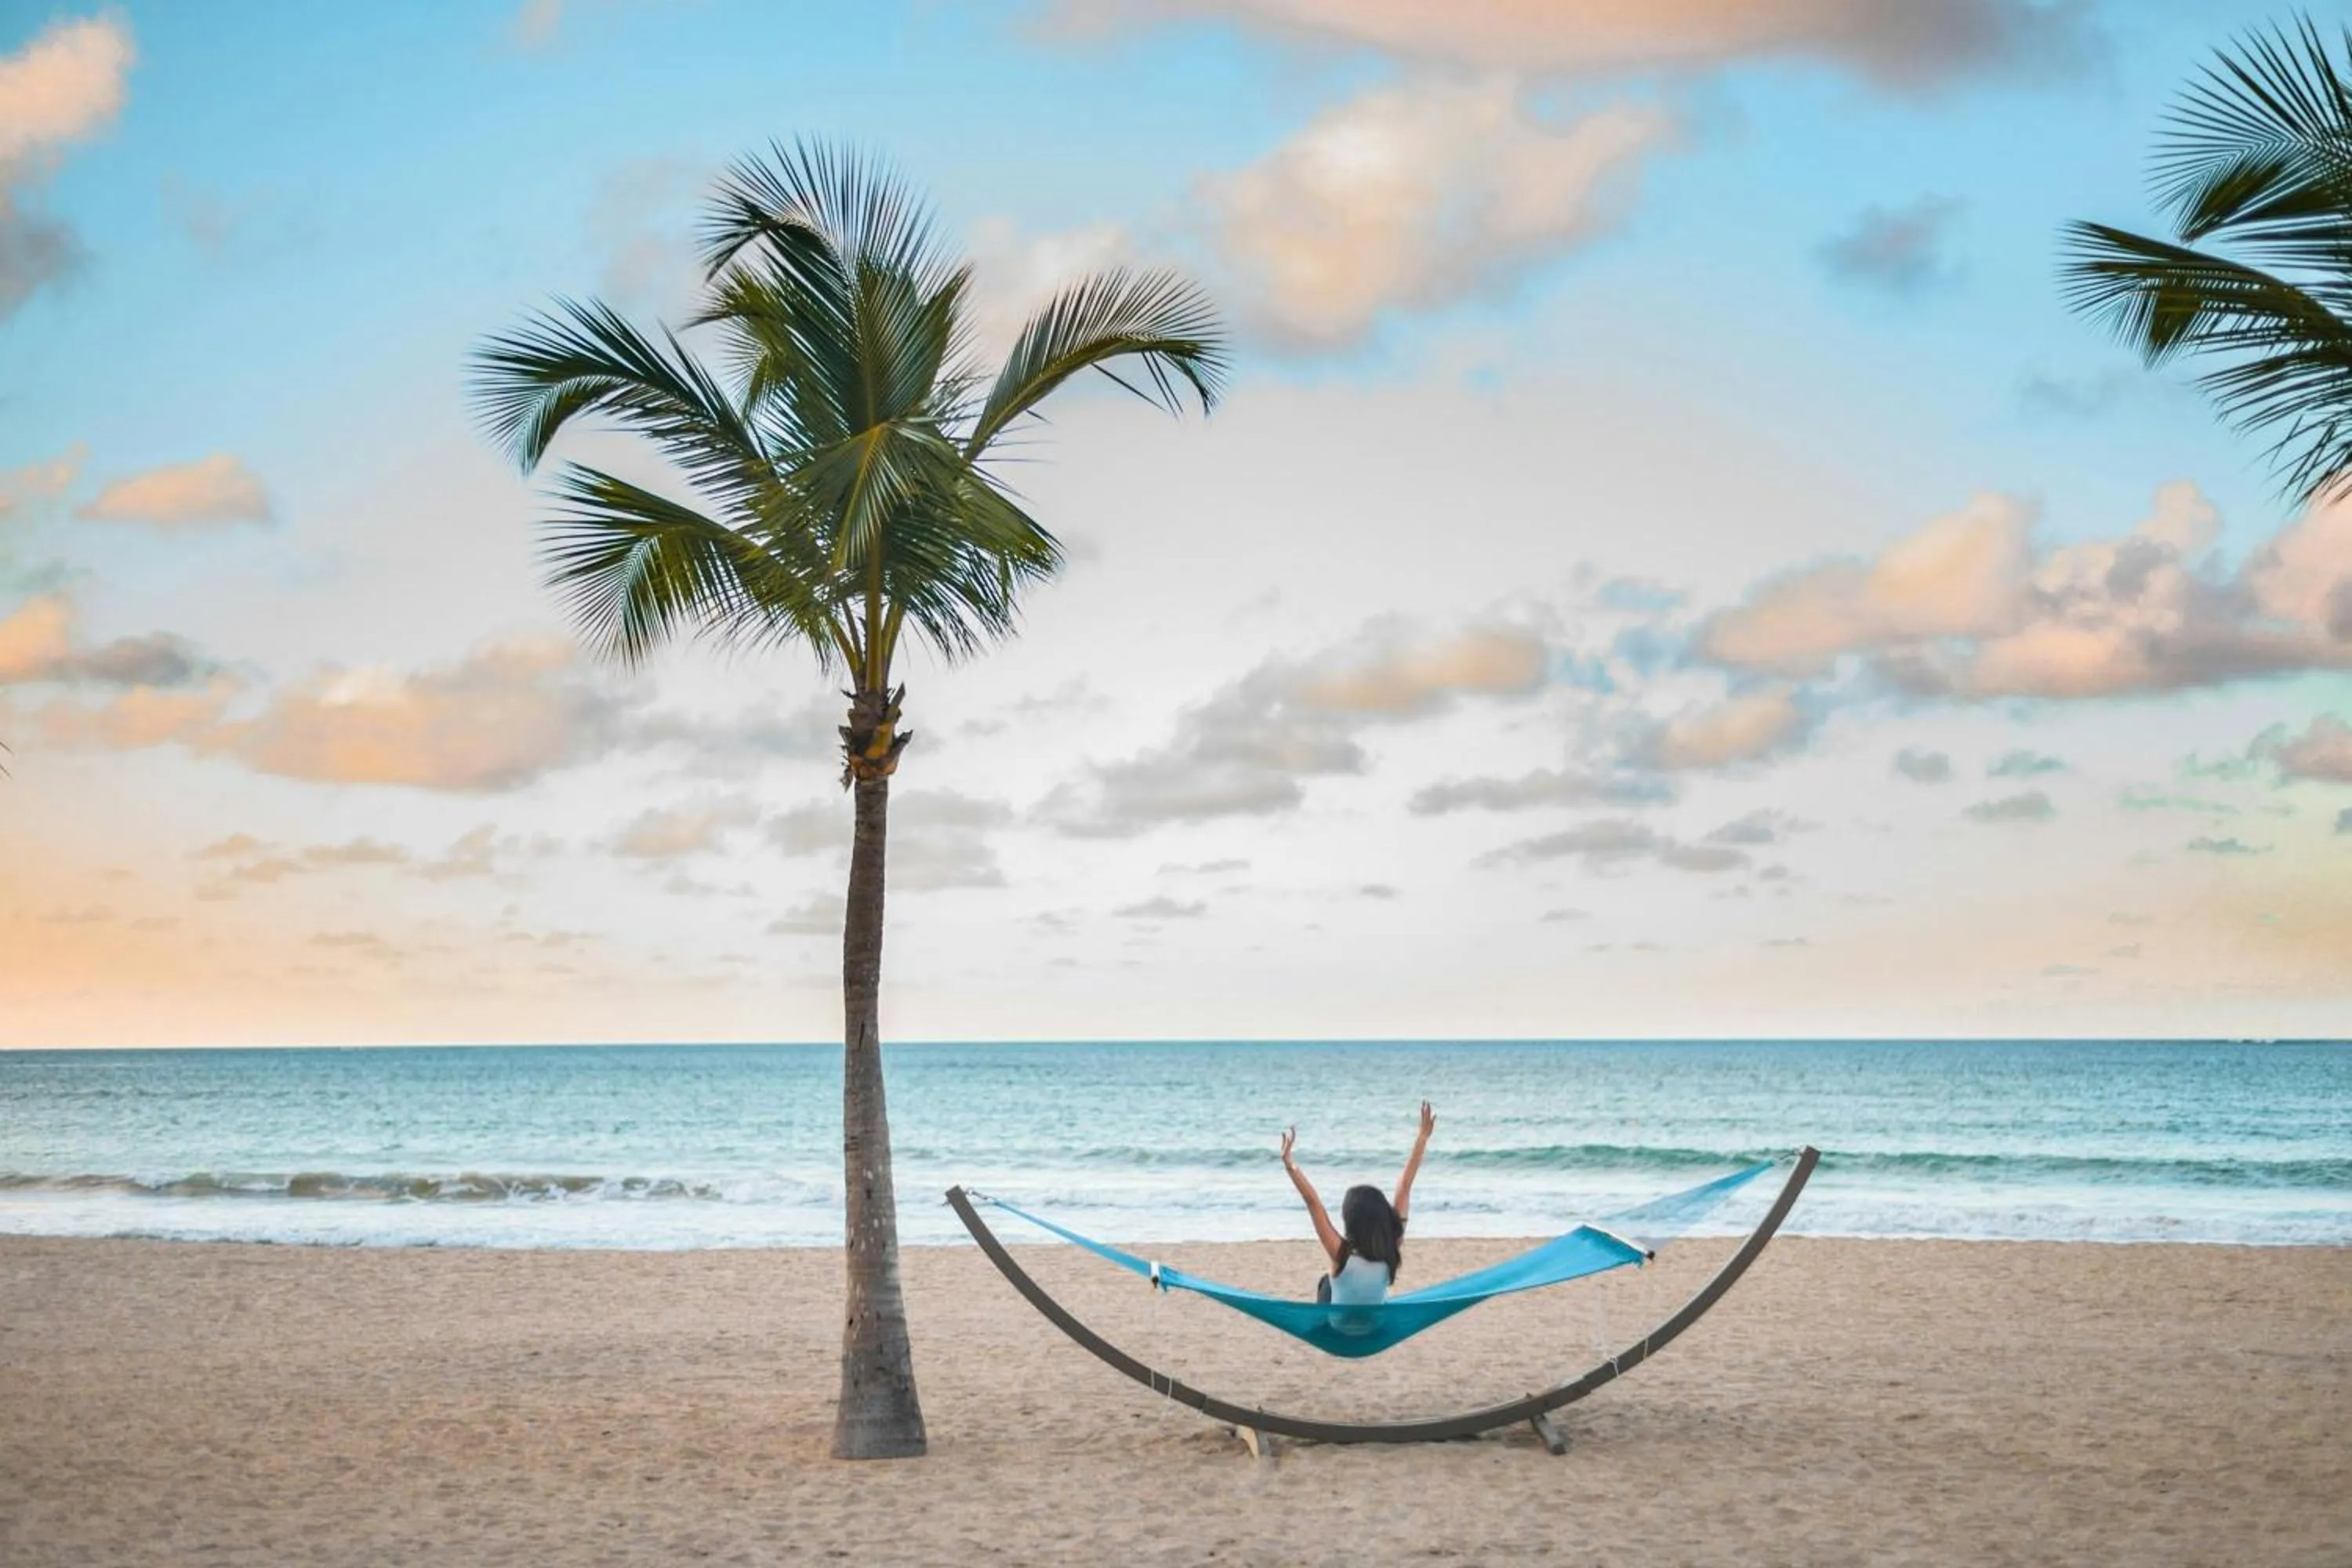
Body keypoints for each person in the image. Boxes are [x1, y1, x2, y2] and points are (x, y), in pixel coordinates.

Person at [1279, 1100, 1434, 1308]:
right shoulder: (1391, 1248)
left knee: (1327, 1282)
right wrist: (1422, 1138)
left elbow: (1313, 1204)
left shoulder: (1341, 1254)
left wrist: (1290, 1165)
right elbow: (1404, 1186)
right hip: (1374, 1329)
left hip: (1339, 1331)